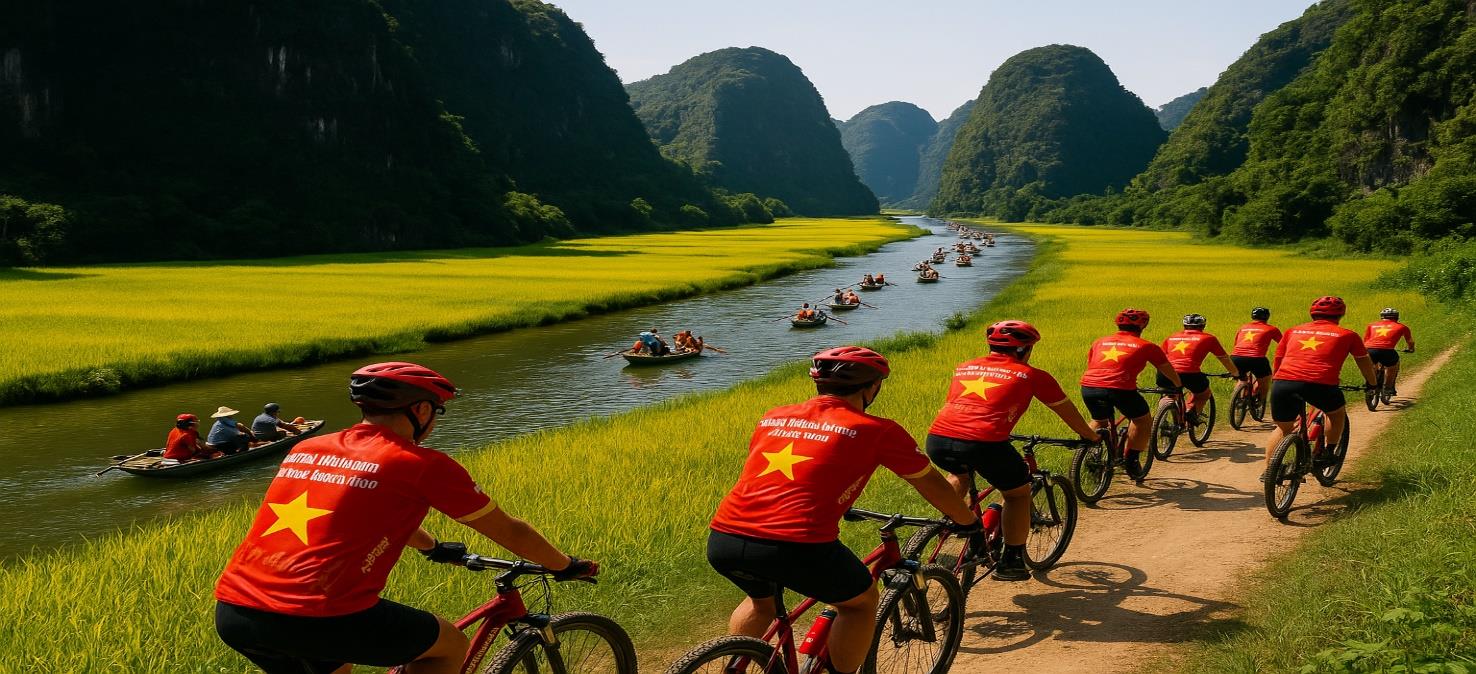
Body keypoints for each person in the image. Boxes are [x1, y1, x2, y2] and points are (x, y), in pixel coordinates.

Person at [214, 362, 596, 674]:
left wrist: (432, 547)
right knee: (448, 646)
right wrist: (566, 565)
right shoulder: (421, 465)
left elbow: (366, 511)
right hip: (320, 613)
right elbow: (509, 529)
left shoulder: (308, 447)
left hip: (235, 610)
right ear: (422, 409)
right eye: (437, 413)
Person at [707, 347, 979, 674]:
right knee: (861, 603)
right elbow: (932, 484)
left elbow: (798, 475)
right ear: (872, 387)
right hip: (797, 545)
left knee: (760, 602)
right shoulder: (878, 430)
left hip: (725, 537)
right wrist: (966, 521)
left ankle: (733, 667)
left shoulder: (774, 416)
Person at [926, 321, 1101, 581]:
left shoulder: (965, 367)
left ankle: (949, 525)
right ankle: (1012, 561)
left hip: (938, 438)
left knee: (959, 474)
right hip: (984, 443)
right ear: (1024, 350)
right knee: (1018, 494)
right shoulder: (1031, 374)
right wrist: (1090, 436)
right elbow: (1066, 412)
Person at [1264, 297, 1377, 480]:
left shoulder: (1292, 331)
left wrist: (1278, 382)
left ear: (1312, 313)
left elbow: (1278, 359)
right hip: (1321, 385)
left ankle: (1270, 471)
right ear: (1341, 315)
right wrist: (1372, 383)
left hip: (1283, 382)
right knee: (1336, 413)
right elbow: (1364, 363)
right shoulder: (1348, 334)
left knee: (1283, 428)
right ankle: (1328, 452)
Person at [1079, 309, 1182, 480]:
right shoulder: (1147, 346)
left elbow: (1093, 364)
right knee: (1142, 421)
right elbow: (1166, 368)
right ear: (1143, 325)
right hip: (1120, 389)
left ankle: (1087, 453)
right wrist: (1178, 385)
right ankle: (1132, 461)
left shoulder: (1100, 342)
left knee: (1099, 420)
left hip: (1089, 386)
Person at [1160, 314, 1240, 420]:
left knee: (1168, 395)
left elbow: (1160, 358)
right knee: (1204, 394)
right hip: (1190, 374)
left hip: (1164, 373)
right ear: (1203, 326)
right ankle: (1191, 415)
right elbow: (1224, 358)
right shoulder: (1209, 338)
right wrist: (1235, 373)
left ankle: (1160, 419)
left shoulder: (1171, 337)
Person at [1231, 307, 1282, 409]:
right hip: (1257, 359)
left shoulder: (1243, 327)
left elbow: (1236, 343)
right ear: (1267, 317)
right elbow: (1283, 343)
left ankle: (1238, 399)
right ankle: (1260, 400)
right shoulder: (1271, 329)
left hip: (1235, 357)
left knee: (1241, 379)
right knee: (1265, 379)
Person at [1364, 307, 1415, 396]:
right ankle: (1388, 388)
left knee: (1371, 366)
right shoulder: (1402, 327)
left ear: (1382, 317)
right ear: (1397, 317)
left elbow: (1365, 339)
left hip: (1369, 349)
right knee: (1393, 366)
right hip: (1387, 350)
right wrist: (1411, 349)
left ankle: (1370, 385)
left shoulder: (1371, 325)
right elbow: (1410, 341)